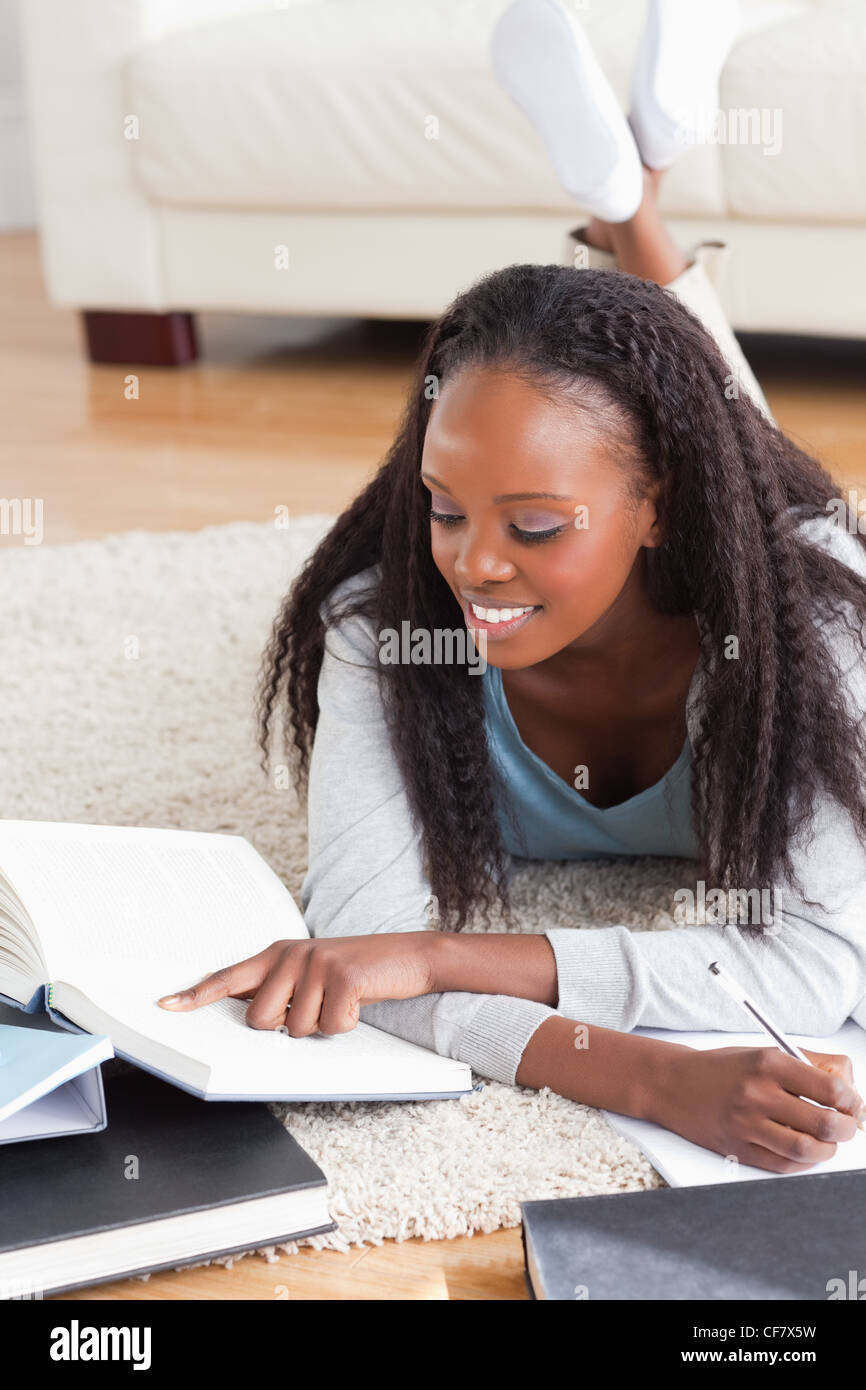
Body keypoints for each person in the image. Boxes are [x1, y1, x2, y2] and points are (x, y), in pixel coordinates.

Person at [159, 0, 866, 1173]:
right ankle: (625, 190)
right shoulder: (383, 633)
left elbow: (811, 963)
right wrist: (650, 1071)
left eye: (532, 525)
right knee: (678, 418)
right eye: (442, 506)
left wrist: (443, 957)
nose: (470, 564)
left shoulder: (810, 640)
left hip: (770, 541)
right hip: (677, 496)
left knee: (758, 456)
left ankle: (627, 203)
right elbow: (357, 956)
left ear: (659, 512)